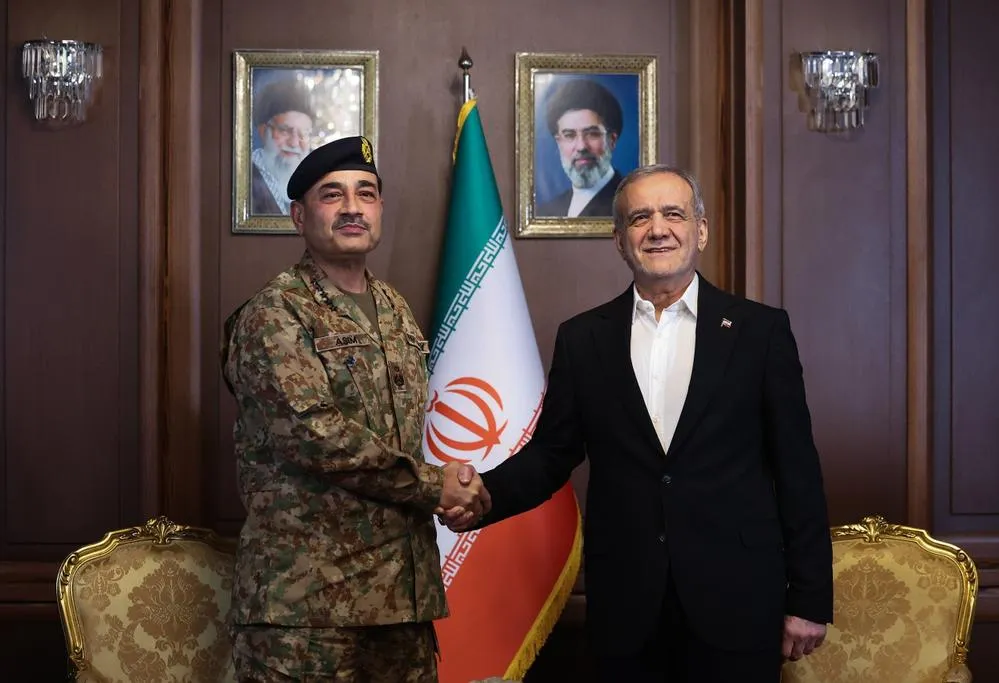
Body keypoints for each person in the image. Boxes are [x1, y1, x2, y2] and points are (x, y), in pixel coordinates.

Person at [443, 165, 833, 681]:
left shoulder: (760, 331)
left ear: (701, 231)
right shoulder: (583, 339)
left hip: (737, 602)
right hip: (626, 605)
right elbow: (553, 454)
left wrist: (809, 597)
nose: (658, 229)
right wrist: (482, 495)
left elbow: (797, 469)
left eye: (673, 214)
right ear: (619, 240)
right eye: (640, 218)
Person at [222, 135, 490, 682]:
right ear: (299, 217)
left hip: (402, 599)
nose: (352, 207)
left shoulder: (394, 307)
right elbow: (314, 435)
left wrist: (455, 491)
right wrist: (435, 486)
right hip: (307, 608)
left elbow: (401, 436)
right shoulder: (276, 312)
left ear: (379, 209)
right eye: (332, 195)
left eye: (365, 193)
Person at [535, 78, 624, 218]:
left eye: (592, 134)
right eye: (569, 135)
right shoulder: (545, 213)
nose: (581, 146)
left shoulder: (630, 203)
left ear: (612, 140)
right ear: (559, 143)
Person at [250, 79, 316, 215]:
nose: (294, 143)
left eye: (304, 134)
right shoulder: (244, 179)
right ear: (263, 131)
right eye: (284, 131)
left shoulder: (316, 180)